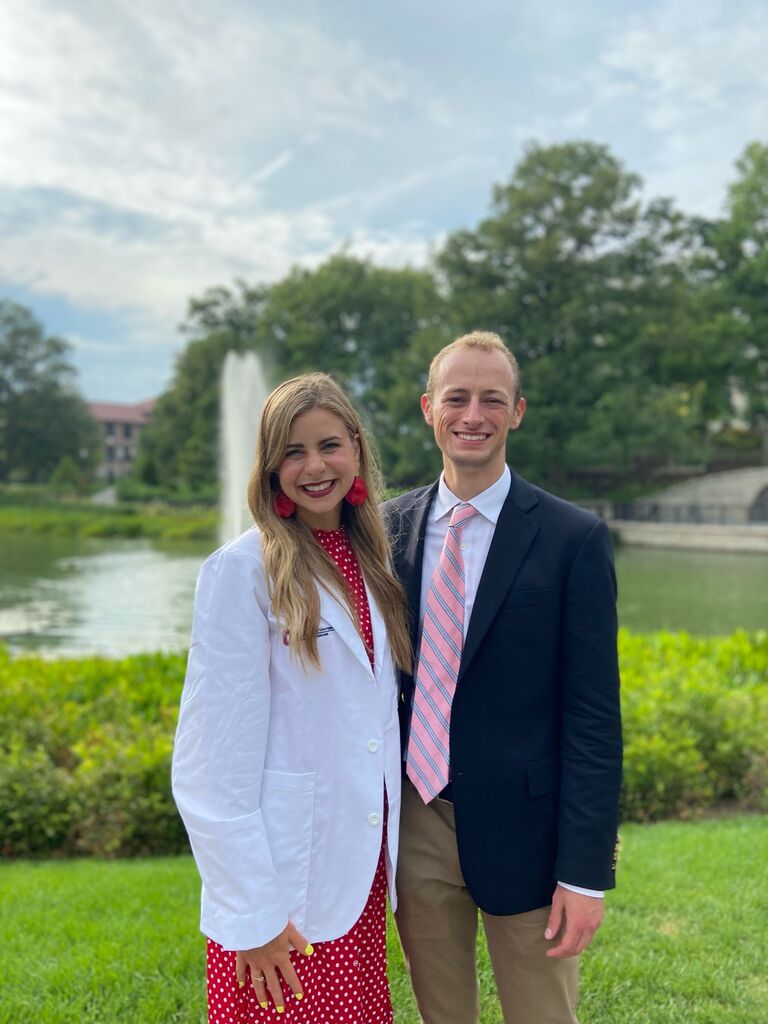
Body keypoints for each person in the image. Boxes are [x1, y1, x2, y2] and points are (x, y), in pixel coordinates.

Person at [383, 331, 622, 1024]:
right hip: (416, 822)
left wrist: (584, 872)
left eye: (492, 399)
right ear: (430, 408)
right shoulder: (386, 530)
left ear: (517, 411)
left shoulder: (572, 538)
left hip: (531, 832)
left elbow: (593, 718)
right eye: (456, 398)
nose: (472, 414)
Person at [172, 372, 412, 1024]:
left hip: (355, 869)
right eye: (293, 451)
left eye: (329, 445)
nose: (314, 466)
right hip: (279, 892)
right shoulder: (242, 571)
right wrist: (250, 915)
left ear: (357, 450)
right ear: (270, 465)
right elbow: (209, 763)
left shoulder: (375, 566)